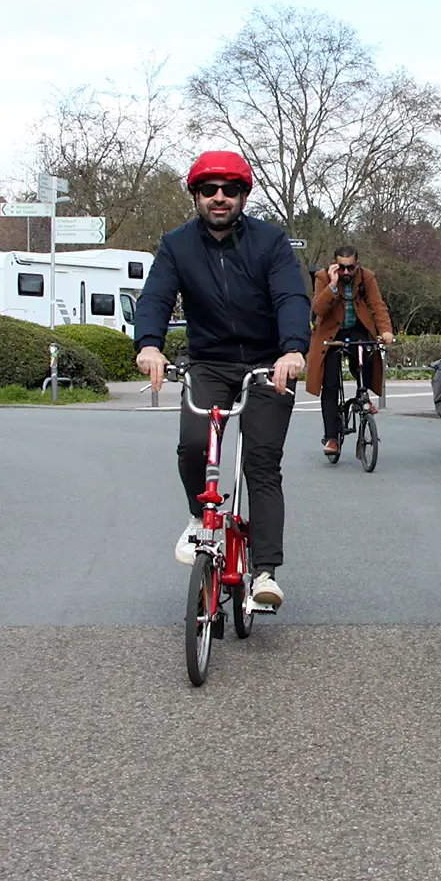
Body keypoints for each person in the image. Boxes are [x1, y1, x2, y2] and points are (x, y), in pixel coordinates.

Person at [134, 150, 311, 610]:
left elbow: (291, 296)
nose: (219, 198)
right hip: (209, 363)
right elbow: (155, 296)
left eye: (229, 190)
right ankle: (199, 517)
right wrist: (148, 344)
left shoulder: (271, 242)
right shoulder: (175, 245)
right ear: (196, 195)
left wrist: (293, 349)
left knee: (261, 463)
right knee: (194, 444)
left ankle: (265, 572)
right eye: (209, 190)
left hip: (267, 364)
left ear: (243, 196)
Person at [305, 245, 394, 456]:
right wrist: (333, 285)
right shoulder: (323, 277)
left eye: (350, 268)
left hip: (356, 330)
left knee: (370, 354)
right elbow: (318, 309)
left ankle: (362, 396)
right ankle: (331, 438)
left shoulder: (366, 277)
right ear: (335, 265)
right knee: (330, 384)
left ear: (357, 264)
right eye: (342, 268)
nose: (346, 272)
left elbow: (377, 305)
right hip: (330, 334)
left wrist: (386, 331)